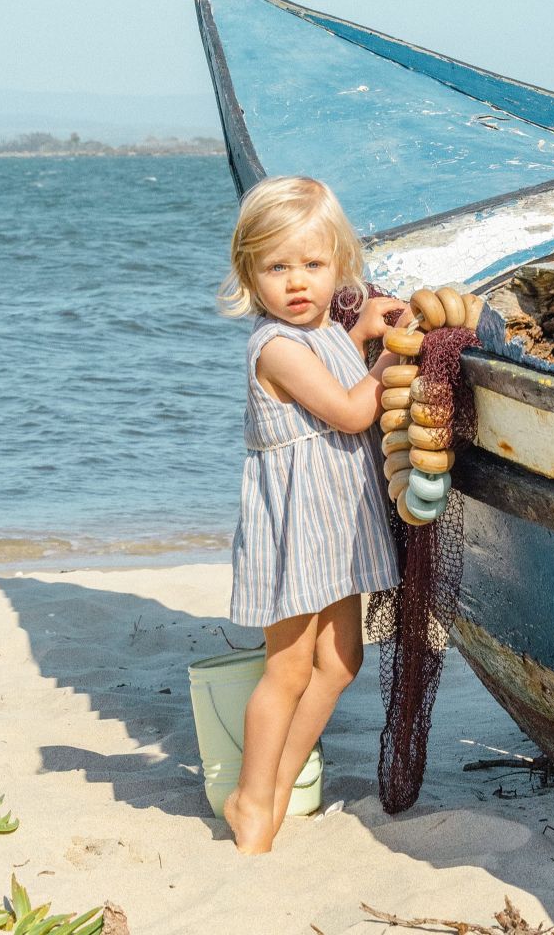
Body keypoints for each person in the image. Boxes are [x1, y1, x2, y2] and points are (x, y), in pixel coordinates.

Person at [217, 176, 407, 853]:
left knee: (341, 661)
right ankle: (251, 798)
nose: (297, 282)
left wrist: (359, 332)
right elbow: (352, 411)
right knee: (290, 668)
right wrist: (393, 357)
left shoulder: (321, 331)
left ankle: (276, 785)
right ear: (250, 275)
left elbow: (336, 366)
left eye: (313, 265)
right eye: (277, 268)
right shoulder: (275, 347)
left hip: (335, 522)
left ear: (339, 265)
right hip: (297, 527)